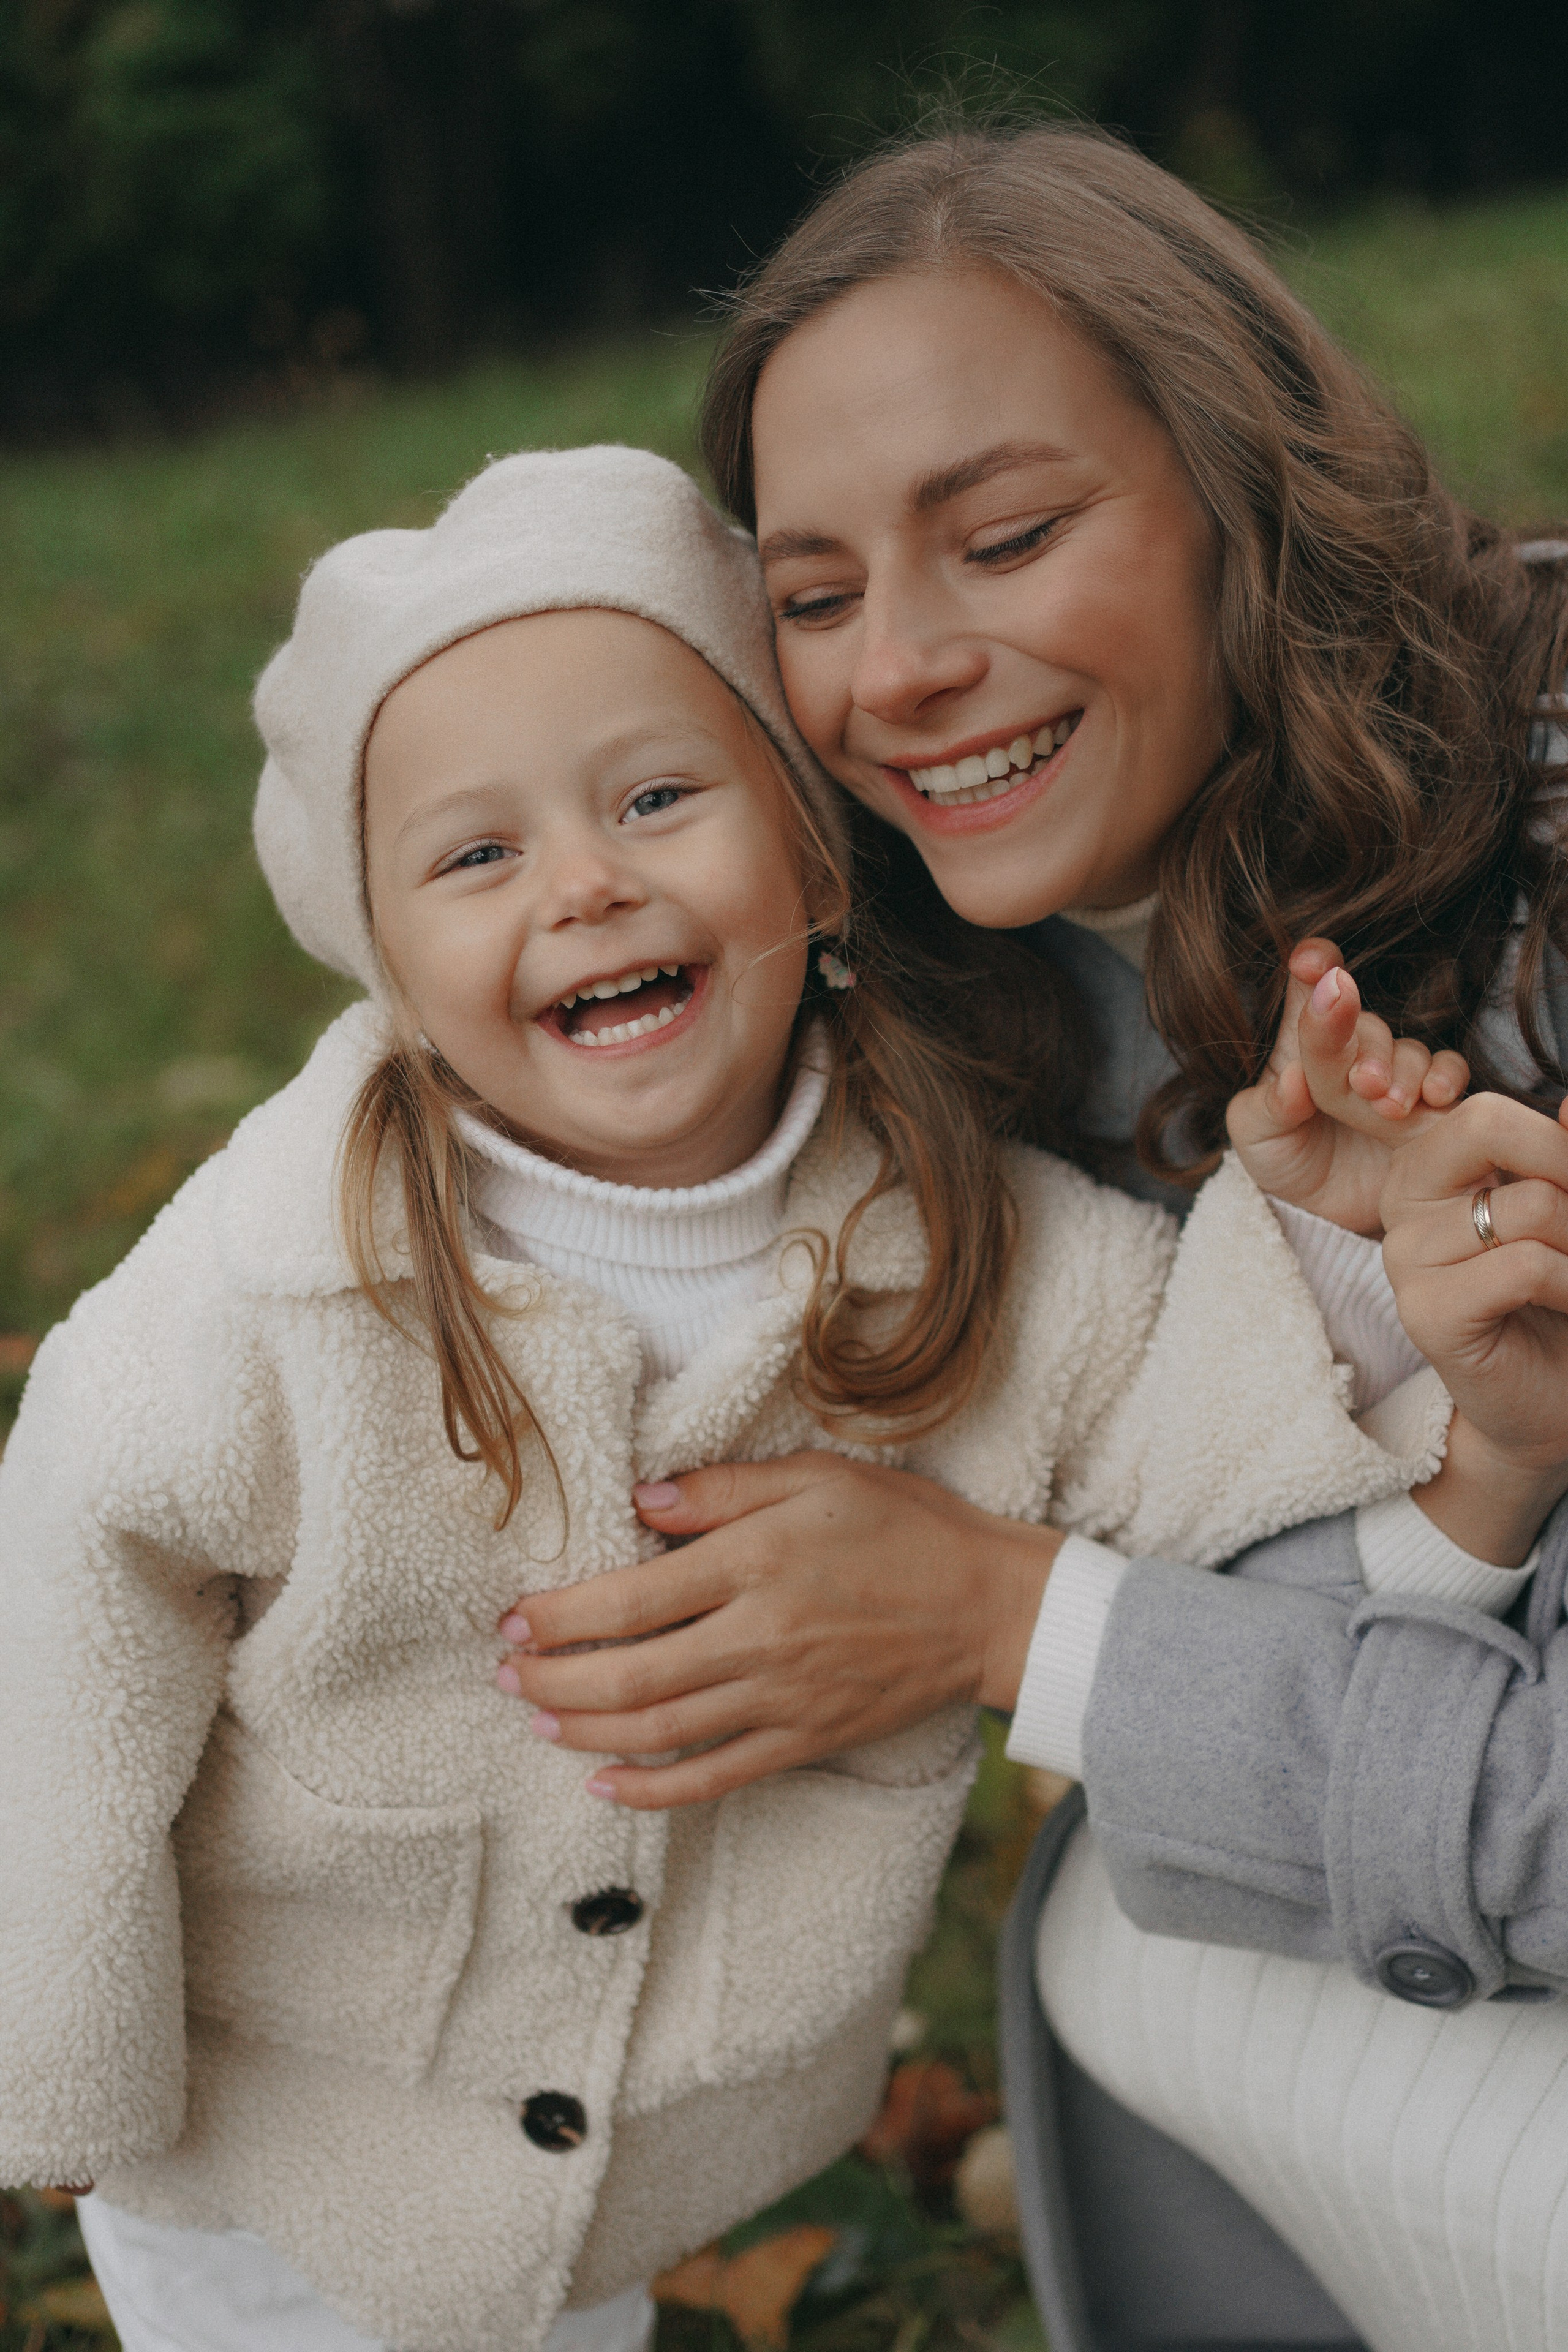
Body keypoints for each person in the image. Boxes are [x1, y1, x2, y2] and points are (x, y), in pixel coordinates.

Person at [0, 443, 1471, 2352]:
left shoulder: (969, 1240)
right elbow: (72, 1617)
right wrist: (58, 2044)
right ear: (389, 968)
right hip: (286, 2103)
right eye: (477, 856)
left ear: (810, 856)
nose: (587, 883)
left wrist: (1340, 1247)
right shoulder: (275, 1281)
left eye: (658, 798)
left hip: (648, 2137)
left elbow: (1199, 1445)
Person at [491, 124, 1568, 2351]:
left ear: (1247, 498)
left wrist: (1013, 1621)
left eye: (1005, 539)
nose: (895, 672)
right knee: (1135, 1947)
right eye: (813, 598)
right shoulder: (986, 1001)